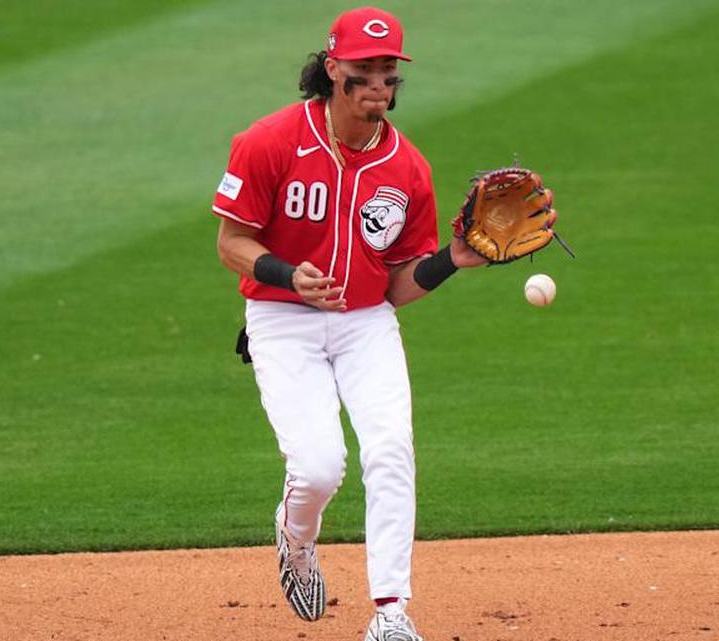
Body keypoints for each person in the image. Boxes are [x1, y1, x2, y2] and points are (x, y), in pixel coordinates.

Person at [211, 7, 486, 641]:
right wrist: (287, 274)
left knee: (390, 451)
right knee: (318, 467)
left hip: (366, 323)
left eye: (387, 72)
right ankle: (296, 535)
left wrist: (452, 260)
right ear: (332, 69)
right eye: (364, 71)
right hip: (282, 320)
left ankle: (391, 613)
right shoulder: (270, 141)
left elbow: (395, 284)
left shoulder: (407, 167)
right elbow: (232, 243)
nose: (377, 85)